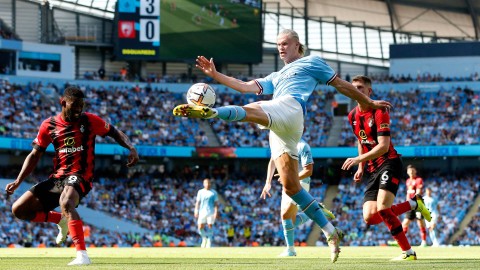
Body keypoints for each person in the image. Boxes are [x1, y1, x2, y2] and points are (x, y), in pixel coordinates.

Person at [173, 29, 392, 262]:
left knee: (254, 108)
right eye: (278, 44)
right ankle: (331, 231)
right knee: (290, 187)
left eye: (285, 43)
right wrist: (215, 75)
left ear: (297, 45)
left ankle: (212, 112)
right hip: (280, 127)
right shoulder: (276, 76)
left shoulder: (312, 62)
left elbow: (341, 85)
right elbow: (245, 85)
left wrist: (367, 102)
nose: (280, 48)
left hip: (291, 107)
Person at [4, 86, 139, 266]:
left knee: (66, 202)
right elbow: (34, 155)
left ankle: (82, 255)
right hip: (58, 178)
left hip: (81, 175)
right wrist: (18, 180)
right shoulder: (48, 125)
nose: (78, 110)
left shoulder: (90, 121)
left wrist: (130, 147)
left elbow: (114, 132)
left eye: (81, 106)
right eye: (74, 105)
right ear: (63, 103)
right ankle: (60, 219)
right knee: (18, 210)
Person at [341, 75, 431, 261]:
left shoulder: (380, 111)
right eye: (354, 88)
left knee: (383, 208)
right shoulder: (352, 116)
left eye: (360, 88)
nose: (356, 91)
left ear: (369, 91)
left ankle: (408, 252)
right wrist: (361, 167)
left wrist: (358, 159)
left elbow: (383, 146)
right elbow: (361, 138)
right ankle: (413, 204)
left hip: (389, 162)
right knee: (370, 217)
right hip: (372, 169)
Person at [261, 137, 335, 257]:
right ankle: (317, 211)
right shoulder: (280, 144)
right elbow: (273, 161)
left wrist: (290, 178)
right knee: (288, 219)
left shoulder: (303, 146)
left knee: (286, 215)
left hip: (301, 183)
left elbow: (308, 171)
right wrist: (268, 182)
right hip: (287, 183)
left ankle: (291, 250)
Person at [402, 164, 428, 247]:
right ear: (407, 172)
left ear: (415, 171)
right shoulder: (407, 181)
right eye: (409, 171)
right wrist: (407, 202)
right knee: (405, 223)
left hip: (418, 204)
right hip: (409, 204)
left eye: (413, 171)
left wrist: (413, 201)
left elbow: (418, 192)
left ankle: (424, 242)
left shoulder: (419, 180)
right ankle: (401, 241)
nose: (411, 172)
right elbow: (408, 193)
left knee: (420, 222)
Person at [194, 178, 218, 248]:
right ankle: (204, 238)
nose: (207, 184)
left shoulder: (213, 192)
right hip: (202, 212)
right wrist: (196, 210)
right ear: (204, 184)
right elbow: (197, 202)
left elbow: (216, 204)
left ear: (210, 184)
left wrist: (216, 212)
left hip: (210, 212)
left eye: (209, 183)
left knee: (210, 225)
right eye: (206, 183)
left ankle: (209, 240)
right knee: (200, 227)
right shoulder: (200, 192)